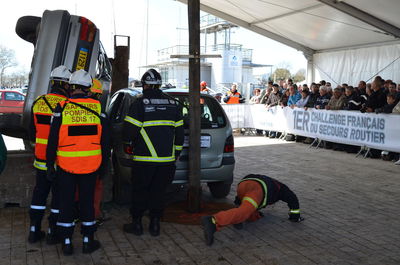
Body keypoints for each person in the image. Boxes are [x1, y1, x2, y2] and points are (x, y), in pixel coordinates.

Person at [46, 69, 110, 255]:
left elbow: (52, 141)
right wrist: (104, 167)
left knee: (66, 203)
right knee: (87, 203)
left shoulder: (62, 108)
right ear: (88, 88)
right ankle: (88, 241)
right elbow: (106, 143)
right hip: (91, 166)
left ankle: (66, 242)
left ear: (71, 87)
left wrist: (50, 164)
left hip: (66, 167)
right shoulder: (99, 109)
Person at [122, 69, 184, 237]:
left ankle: (137, 224)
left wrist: (128, 143)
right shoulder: (173, 105)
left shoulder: (139, 104)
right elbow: (179, 134)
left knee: (140, 191)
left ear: (146, 85)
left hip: (144, 159)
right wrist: (176, 153)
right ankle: (155, 225)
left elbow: (128, 133)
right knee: (159, 192)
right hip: (167, 161)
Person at [28, 65, 70, 244]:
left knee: (40, 194)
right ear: (66, 85)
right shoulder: (68, 106)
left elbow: (31, 133)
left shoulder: (38, 102)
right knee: (58, 197)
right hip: (60, 160)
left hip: (41, 159)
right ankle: (54, 232)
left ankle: (34, 230)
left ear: (52, 82)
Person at [201, 174, 303, 246]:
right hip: (257, 188)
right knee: (245, 212)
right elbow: (293, 199)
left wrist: (238, 205)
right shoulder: (283, 189)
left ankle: (237, 218)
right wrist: (295, 217)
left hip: (243, 184)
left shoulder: (273, 184)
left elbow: (239, 199)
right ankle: (213, 221)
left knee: (248, 211)